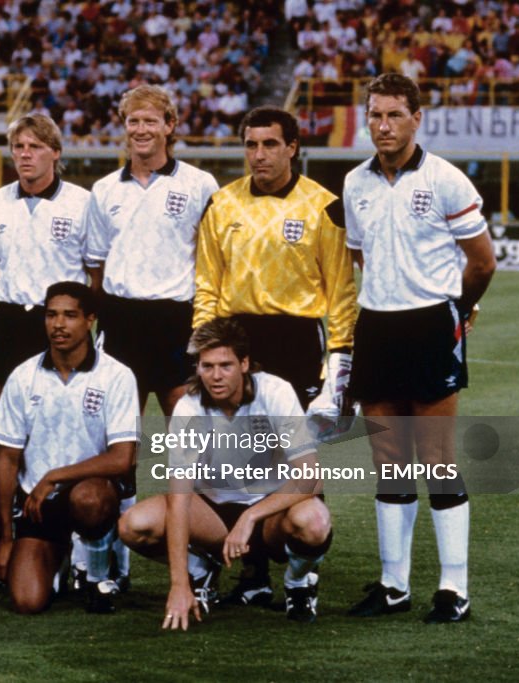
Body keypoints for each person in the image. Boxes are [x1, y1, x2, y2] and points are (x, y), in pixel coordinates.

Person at [342, 73, 496, 623]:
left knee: (435, 458)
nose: (383, 125)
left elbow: (482, 262)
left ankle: (454, 589)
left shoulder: (446, 179)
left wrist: (457, 309)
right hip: (377, 328)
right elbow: (360, 257)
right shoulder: (354, 182)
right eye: (375, 114)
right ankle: (393, 585)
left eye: (394, 115)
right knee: (388, 460)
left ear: (416, 118)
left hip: (431, 327)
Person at [192, 105, 357, 607]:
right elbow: (207, 285)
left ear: (292, 148)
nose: (258, 154)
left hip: (297, 340)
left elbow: (342, 295)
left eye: (269, 144)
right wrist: (203, 350)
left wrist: (339, 370)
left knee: (299, 456)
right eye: (251, 144)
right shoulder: (222, 204)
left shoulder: (324, 206)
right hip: (237, 338)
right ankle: (252, 573)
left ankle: (303, 569)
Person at [119, 318, 333, 628]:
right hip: (214, 514)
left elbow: (311, 477)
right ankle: (200, 571)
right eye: (207, 366)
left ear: (245, 363)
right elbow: (179, 499)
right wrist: (179, 584)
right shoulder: (189, 408)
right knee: (134, 525)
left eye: (225, 365)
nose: (215, 376)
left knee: (314, 522)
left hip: (272, 512)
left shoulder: (275, 392)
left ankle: (298, 582)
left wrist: (250, 517)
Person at [0, 282, 140, 614]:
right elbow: (7, 459)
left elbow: (122, 459)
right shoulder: (23, 375)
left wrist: (56, 476)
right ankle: (61, 555)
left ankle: (99, 576)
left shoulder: (116, 376)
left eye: (70, 316)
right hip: (37, 503)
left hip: (92, 495)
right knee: (27, 602)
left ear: (89, 320)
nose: (58, 325)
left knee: (88, 500)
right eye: (51, 315)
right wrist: (5, 539)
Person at [83, 84, 219, 416]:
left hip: (176, 319)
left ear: (169, 125)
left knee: (187, 426)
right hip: (121, 320)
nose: (141, 130)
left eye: (150, 121)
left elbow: (213, 260)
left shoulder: (199, 184)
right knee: (120, 429)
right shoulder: (104, 190)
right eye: (133, 121)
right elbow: (97, 266)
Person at [0, 113, 90, 412]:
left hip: (59, 319)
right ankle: (5, 458)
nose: (25, 153)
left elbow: (96, 270)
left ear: (55, 152)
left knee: (62, 403)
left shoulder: (81, 202)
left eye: (35, 146)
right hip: (11, 316)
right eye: (18, 146)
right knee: (2, 395)